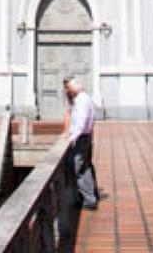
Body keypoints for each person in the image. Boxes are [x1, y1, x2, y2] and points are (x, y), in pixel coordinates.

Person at [65, 77, 97, 210]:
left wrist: (73, 137)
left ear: (77, 87)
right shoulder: (85, 98)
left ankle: (89, 199)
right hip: (86, 136)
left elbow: (81, 121)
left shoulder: (81, 100)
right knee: (85, 167)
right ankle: (91, 196)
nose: (68, 90)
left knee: (77, 168)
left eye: (70, 87)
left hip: (82, 137)